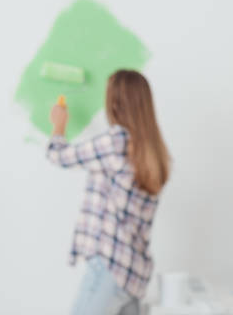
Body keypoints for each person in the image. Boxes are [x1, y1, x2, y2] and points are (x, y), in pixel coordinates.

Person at [47, 70, 170, 315]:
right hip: (134, 277)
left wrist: (59, 125)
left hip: (110, 268)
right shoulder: (154, 151)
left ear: (115, 103)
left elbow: (58, 155)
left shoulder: (116, 142)